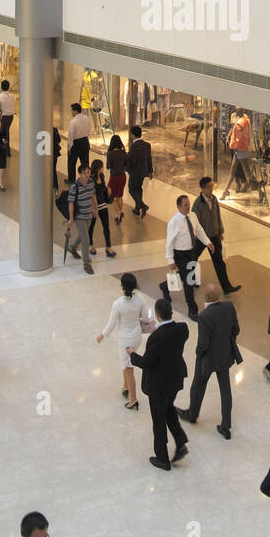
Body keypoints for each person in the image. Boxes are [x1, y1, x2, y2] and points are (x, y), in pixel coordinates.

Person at [127, 297, 189, 472]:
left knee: (159, 420)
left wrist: (132, 354)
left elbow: (147, 362)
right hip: (175, 380)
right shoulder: (182, 329)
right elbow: (169, 340)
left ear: (157, 315)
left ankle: (162, 458)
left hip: (158, 385)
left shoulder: (156, 338)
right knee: (169, 409)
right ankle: (180, 440)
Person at [178, 283, 240, 439]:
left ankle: (193, 414)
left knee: (198, 385)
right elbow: (236, 330)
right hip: (225, 355)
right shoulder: (229, 307)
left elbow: (203, 343)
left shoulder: (204, 316)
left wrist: (198, 354)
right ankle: (225, 426)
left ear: (205, 297)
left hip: (208, 358)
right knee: (225, 389)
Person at [96, 271, 152, 409]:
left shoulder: (118, 304)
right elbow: (145, 318)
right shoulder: (140, 299)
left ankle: (133, 399)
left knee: (128, 368)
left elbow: (112, 323)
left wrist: (102, 335)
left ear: (122, 286)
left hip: (124, 340)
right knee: (125, 362)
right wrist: (135, 318)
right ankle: (125, 386)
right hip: (136, 337)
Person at [165, 193, 213, 321]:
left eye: (189, 204)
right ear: (179, 207)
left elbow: (199, 230)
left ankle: (165, 286)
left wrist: (207, 242)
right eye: (185, 205)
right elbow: (169, 242)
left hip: (191, 252)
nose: (188, 207)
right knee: (189, 282)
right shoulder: (174, 222)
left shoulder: (192, 216)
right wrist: (170, 259)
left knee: (186, 276)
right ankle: (192, 310)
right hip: (180, 254)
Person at [193, 176, 241, 295]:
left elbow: (217, 216)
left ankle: (227, 287)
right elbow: (195, 224)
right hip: (202, 238)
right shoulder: (198, 204)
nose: (211, 189)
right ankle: (190, 281)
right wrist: (201, 237)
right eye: (209, 187)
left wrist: (220, 231)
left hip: (214, 236)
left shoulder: (214, 199)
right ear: (203, 189)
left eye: (212, 186)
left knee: (219, 262)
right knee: (192, 259)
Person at [68, 162, 98, 274]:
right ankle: (86, 264)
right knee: (86, 240)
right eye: (84, 173)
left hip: (88, 214)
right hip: (79, 216)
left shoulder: (91, 182)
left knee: (82, 235)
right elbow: (71, 203)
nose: (87, 175)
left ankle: (72, 248)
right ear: (80, 174)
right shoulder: (74, 186)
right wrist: (71, 218)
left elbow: (93, 196)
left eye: (88, 172)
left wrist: (95, 209)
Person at [88, 158, 116, 258]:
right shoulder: (91, 179)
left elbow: (103, 187)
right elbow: (91, 194)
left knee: (106, 227)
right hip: (94, 207)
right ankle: (90, 245)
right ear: (98, 168)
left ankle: (108, 247)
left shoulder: (102, 176)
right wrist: (94, 208)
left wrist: (108, 189)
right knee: (91, 227)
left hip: (103, 204)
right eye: (102, 167)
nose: (103, 168)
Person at [223, 107, 253, 194]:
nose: (237, 111)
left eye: (239, 110)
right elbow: (234, 130)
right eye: (237, 110)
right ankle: (225, 191)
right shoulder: (244, 120)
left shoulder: (241, 122)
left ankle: (257, 189)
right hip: (240, 149)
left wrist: (235, 146)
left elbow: (240, 137)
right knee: (234, 171)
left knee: (246, 172)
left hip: (239, 149)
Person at [126, 124, 153, 217]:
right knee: (138, 189)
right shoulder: (147, 145)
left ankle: (143, 206)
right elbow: (149, 159)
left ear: (133, 135)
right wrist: (150, 171)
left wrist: (127, 169)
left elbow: (131, 161)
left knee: (131, 189)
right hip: (143, 172)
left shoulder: (134, 146)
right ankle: (137, 209)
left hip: (135, 172)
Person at [66, 101, 91, 183]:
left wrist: (69, 147)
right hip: (85, 141)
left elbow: (70, 136)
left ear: (75, 111)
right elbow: (89, 131)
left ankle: (71, 179)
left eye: (72, 110)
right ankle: (86, 178)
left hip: (76, 143)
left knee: (72, 162)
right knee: (85, 162)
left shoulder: (73, 121)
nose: (71, 112)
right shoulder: (87, 118)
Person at [106, 132, 127, 223]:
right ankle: (118, 215)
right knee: (119, 196)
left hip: (114, 177)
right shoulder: (123, 152)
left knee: (111, 196)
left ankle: (119, 213)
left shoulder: (110, 154)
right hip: (123, 177)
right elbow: (126, 164)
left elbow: (108, 166)